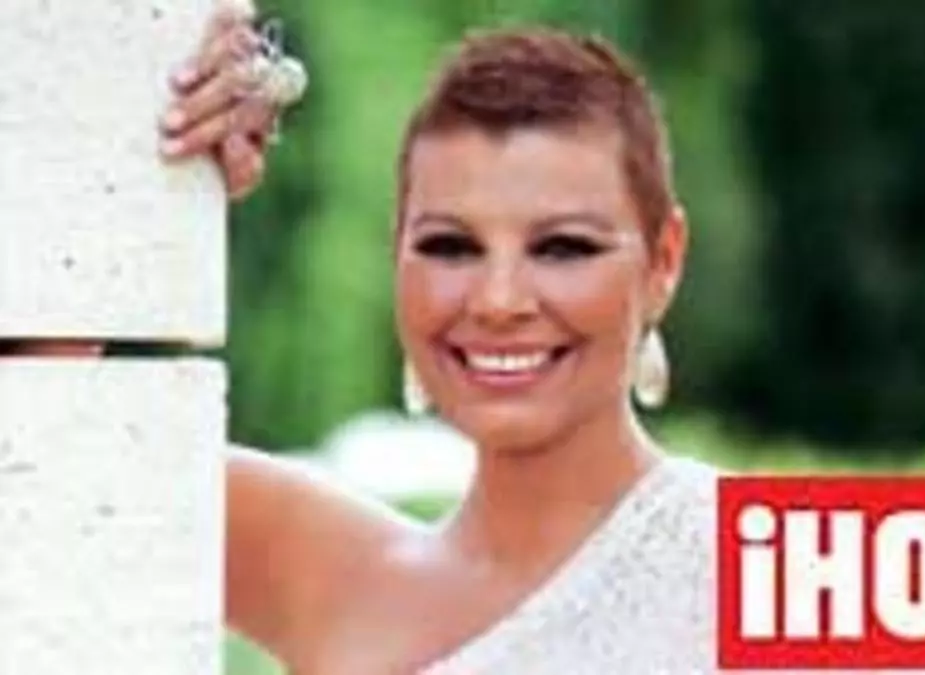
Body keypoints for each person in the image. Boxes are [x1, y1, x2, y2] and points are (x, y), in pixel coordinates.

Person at [8, 3, 726, 673]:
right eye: (449, 246)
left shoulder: (762, 566)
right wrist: (154, 163)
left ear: (664, 260)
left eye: (564, 247)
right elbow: (37, 458)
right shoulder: (309, 561)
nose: (498, 301)